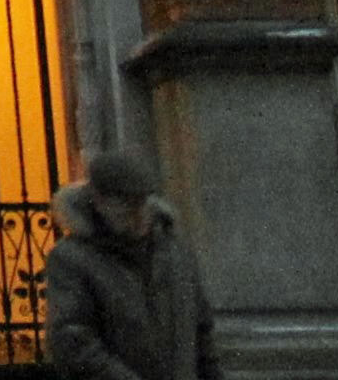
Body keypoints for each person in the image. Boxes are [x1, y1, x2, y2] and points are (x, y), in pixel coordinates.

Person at [43, 144, 221, 380]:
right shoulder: (72, 259)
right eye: (125, 204)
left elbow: (202, 330)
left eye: (140, 202)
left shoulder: (174, 251)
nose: (137, 215)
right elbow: (71, 340)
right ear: (98, 200)